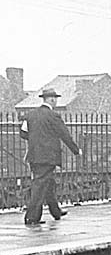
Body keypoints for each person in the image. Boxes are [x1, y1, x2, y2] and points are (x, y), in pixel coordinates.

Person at [19, 88, 81, 225]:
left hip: (34, 156)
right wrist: (76, 150)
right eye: (55, 99)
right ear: (51, 99)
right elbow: (65, 135)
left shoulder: (30, 115)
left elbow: (23, 133)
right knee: (40, 185)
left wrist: (36, 140)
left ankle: (56, 211)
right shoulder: (54, 116)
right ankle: (31, 217)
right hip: (48, 157)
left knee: (48, 183)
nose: (56, 101)